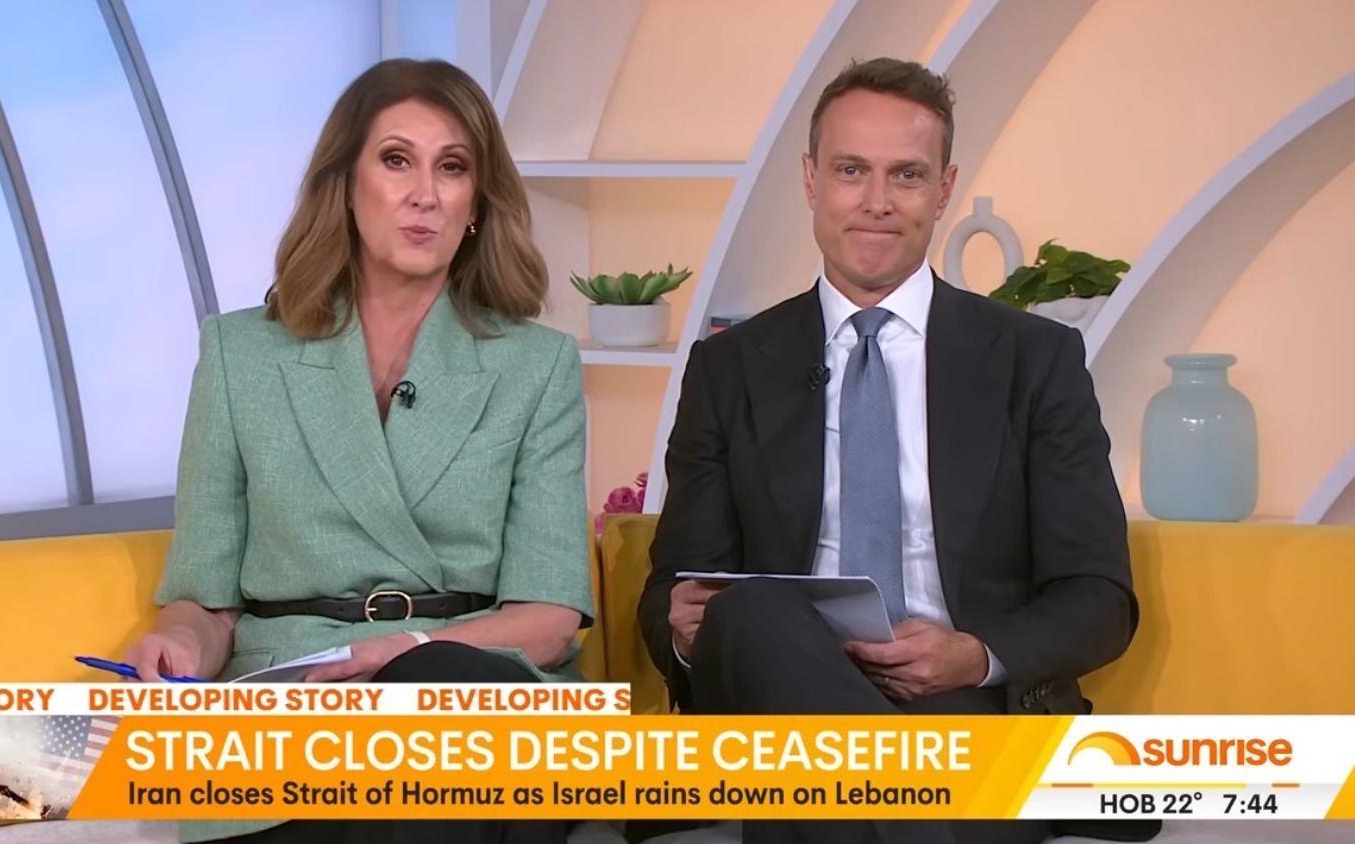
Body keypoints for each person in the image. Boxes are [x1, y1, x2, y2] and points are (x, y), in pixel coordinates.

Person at [637, 57, 1154, 844]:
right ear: (811, 179)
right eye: (851, 170)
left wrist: (975, 655)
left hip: (968, 709)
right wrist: (680, 626)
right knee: (753, 615)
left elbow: (1098, 597)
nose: (877, 202)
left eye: (906, 175)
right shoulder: (730, 367)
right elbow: (674, 585)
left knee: (811, 785)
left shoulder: (1033, 360)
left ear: (944, 189)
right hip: (780, 695)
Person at [127, 58, 591, 844]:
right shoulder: (241, 355)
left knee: (434, 701)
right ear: (344, 185)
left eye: (452, 168)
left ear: (476, 203)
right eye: (397, 160)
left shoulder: (536, 365)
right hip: (300, 705)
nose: (425, 194)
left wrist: (407, 650)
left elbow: (548, 619)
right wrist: (179, 644)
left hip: (481, 692)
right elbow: (206, 598)